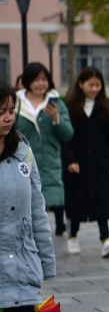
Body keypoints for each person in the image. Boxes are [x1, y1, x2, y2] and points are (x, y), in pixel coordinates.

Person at [0, 82, 56, 312]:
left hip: (21, 265)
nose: (8, 117)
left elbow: (37, 208)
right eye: (1, 112)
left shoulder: (23, 148)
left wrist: (46, 261)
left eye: (11, 110)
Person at [62, 67, 109, 258]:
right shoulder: (69, 107)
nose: (94, 89)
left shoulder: (105, 109)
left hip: (100, 163)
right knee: (75, 200)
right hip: (77, 164)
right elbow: (65, 137)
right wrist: (70, 160)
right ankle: (72, 235)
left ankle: (105, 239)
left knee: (102, 200)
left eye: (98, 85)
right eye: (91, 85)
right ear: (81, 84)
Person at [14, 62, 73, 237]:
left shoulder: (56, 104)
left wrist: (56, 118)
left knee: (43, 207)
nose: (41, 83)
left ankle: (39, 244)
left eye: (44, 79)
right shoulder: (16, 103)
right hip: (21, 163)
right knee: (24, 204)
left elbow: (68, 134)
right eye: (36, 79)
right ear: (27, 81)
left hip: (49, 164)